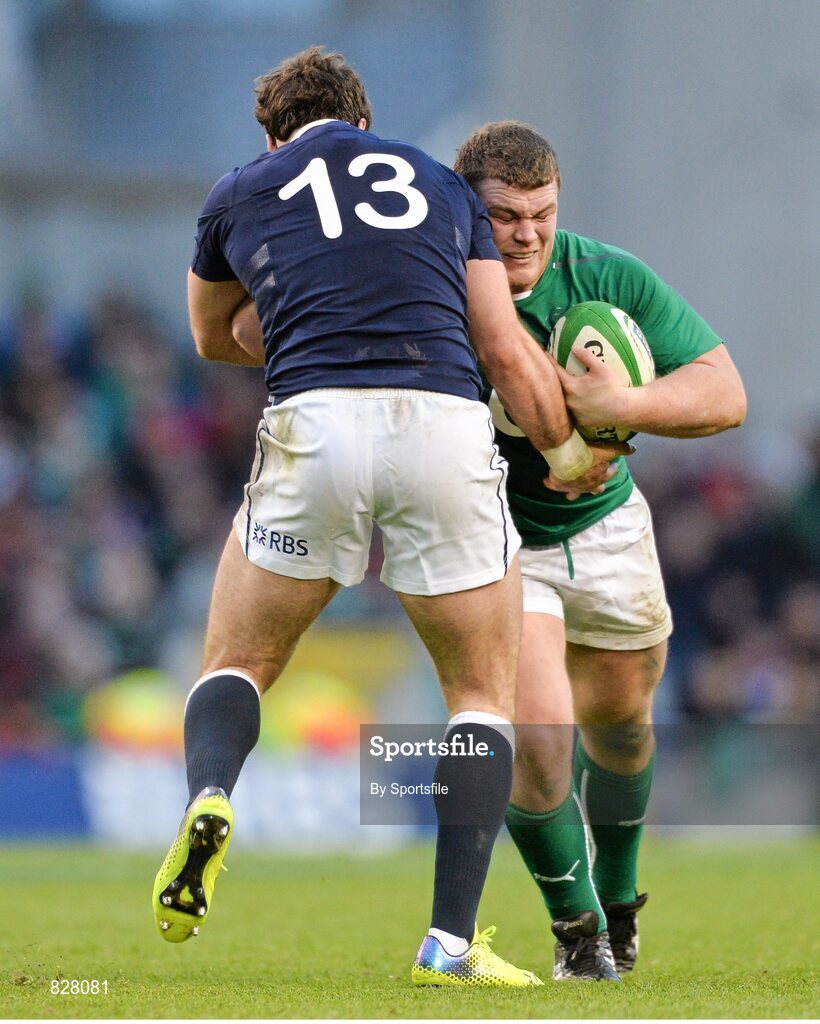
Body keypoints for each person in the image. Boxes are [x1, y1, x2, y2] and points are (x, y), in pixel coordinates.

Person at [151, 51, 609, 988]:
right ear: (364, 121)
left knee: (236, 659)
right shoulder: (441, 183)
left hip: (313, 415)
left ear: (276, 134)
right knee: (480, 694)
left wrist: (305, 310)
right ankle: (448, 944)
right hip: (440, 418)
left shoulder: (242, 188)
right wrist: (566, 452)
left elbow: (209, 335)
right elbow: (502, 349)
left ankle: (209, 797)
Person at [454, 122, 747, 982]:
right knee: (541, 737)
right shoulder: (440, 284)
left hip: (610, 528)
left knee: (621, 733)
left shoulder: (605, 275)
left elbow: (724, 393)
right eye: (504, 215)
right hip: (500, 543)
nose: (526, 234)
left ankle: (619, 908)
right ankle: (578, 934)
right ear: (468, 208)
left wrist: (625, 401)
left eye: (541, 214)